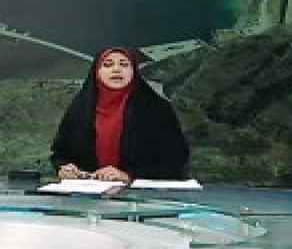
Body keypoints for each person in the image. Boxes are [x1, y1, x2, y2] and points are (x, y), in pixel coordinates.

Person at [50, 46, 189, 182]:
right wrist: (64, 168)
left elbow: (176, 161)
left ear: (134, 71)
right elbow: (60, 154)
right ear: (97, 72)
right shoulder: (80, 109)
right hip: (88, 192)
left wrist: (129, 175)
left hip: (141, 193)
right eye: (108, 65)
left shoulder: (157, 109)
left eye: (124, 65)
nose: (116, 69)